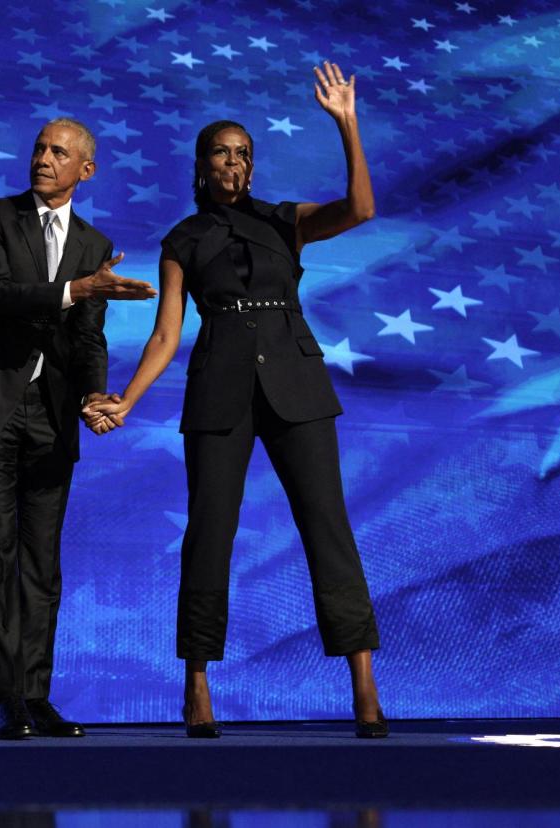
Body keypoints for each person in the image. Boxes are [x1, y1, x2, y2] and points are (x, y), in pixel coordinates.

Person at [85, 63, 386, 738]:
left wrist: (347, 123)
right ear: (202, 165)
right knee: (209, 536)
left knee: (327, 528)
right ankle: (197, 684)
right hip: (220, 389)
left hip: (297, 384)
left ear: (253, 166)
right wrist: (128, 400)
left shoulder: (285, 222)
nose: (234, 162)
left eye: (244, 153)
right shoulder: (183, 241)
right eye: (222, 151)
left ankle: (364, 682)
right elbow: (166, 334)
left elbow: (362, 209)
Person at [0, 118, 156, 739]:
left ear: (86, 170)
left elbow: (87, 337)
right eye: (39, 148)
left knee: (43, 563)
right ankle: (9, 701)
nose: (43, 158)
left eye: (59, 152)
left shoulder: (93, 242)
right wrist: (79, 288)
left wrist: (94, 394)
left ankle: (38, 696)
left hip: (53, 416)